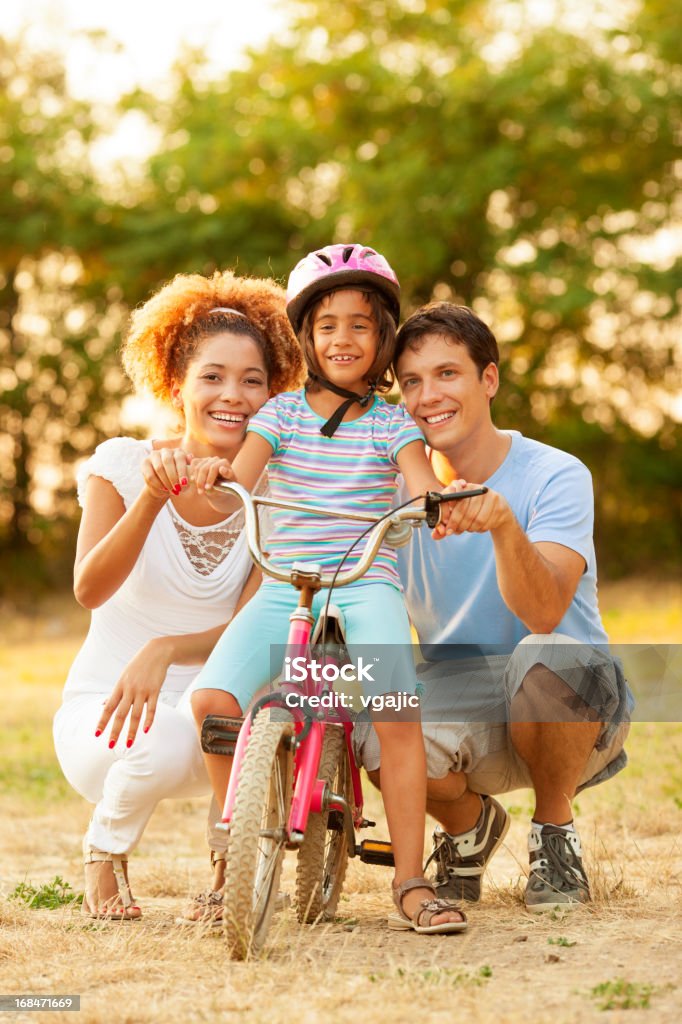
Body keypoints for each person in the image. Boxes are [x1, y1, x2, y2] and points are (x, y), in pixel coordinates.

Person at [188, 243, 467, 934]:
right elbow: (243, 476)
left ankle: (409, 881)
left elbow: (419, 477)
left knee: (398, 711)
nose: (343, 338)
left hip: (364, 581)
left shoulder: (392, 423)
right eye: (328, 325)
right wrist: (217, 476)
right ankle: (230, 865)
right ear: (307, 338)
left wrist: (438, 498)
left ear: (382, 340)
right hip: (289, 584)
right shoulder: (279, 416)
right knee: (214, 699)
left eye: (361, 325)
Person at [353, 301, 632, 913]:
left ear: (489, 379)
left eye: (448, 374)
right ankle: (468, 828)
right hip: (463, 691)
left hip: (571, 695)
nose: (429, 396)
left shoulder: (556, 474)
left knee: (545, 655)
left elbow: (546, 613)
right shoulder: (392, 492)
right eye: (413, 382)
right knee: (378, 728)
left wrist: (504, 524)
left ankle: (553, 833)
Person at [53, 270, 305, 920]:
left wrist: (167, 648)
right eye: (213, 377)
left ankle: (228, 866)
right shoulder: (120, 463)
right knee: (162, 742)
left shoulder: (276, 493)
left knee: (225, 725)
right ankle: (104, 851)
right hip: (107, 717)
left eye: (254, 381)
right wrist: (151, 497)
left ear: (274, 395)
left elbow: (255, 621)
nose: (234, 396)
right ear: (175, 386)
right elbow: (90, 587)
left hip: (215, 715)